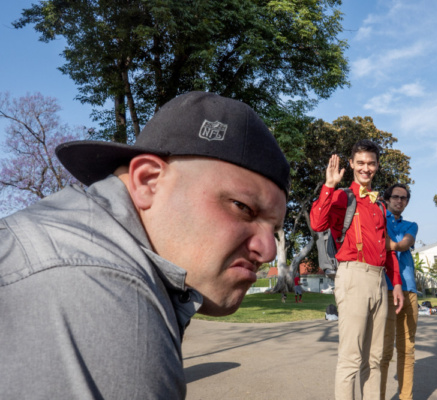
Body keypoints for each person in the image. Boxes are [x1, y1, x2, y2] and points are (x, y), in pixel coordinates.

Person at [0, 91, 289, 399]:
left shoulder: (72, 241)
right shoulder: (102, 295)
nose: (268, 250)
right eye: (242, 206)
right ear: (149, 181)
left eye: (275, 229)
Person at [310, 139, 404, 400]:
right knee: (351, 358)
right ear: (351, 164)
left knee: (374, 358)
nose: (366, 168)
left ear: (377, 166)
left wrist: (395, 282)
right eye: (360, 163)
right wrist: (329, 185)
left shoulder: (380, 205)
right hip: (353, 275)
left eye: (371, 163)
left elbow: (386, 248)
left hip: (378, 280)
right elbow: (318, 224)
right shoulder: (342, 196)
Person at [380, 183, 419, 400]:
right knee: (384, 351)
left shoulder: (411, 225)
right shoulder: (378, 219)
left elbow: (405, 244)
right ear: (387, 199)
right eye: (395, 197)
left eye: (404, 198)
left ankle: (406, 397)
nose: (399, 201)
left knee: (407, 350)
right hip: (385, 289)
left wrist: (388, 244)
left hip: (409, 290)